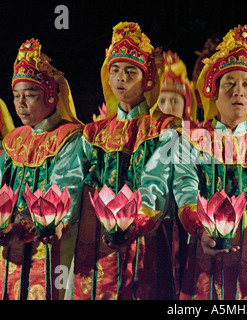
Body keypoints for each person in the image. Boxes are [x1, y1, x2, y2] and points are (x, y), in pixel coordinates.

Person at [173, 24, 247, 300]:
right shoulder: (191, 140)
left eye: (246, 85)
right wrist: (200, 228)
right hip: (208, 252)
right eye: (229, 84)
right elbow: (185, 189)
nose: (238, 91)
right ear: (213, 92)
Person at [72, 22, 180, 300]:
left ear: (147, 79)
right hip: (95, 238)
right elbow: (74, 184)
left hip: (147, 234)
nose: (121, 78)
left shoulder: (166, 128)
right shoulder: (93, 132)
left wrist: (136, 222)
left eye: (131, 72)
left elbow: (159, 181)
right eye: (115, 71)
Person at [0, 38, 85, 300]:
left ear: (50, 95)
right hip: (8, 241)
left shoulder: (70, 137)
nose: (21, 103)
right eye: (16, 96)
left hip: (49, 242)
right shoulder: (13, 139)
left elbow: (65, 189)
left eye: (30, 95)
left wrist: (22, 226)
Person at [158, 50, 197, 123]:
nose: (167, 109)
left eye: (174, 101)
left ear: (186, 106)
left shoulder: (199, 134)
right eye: (161, 101)